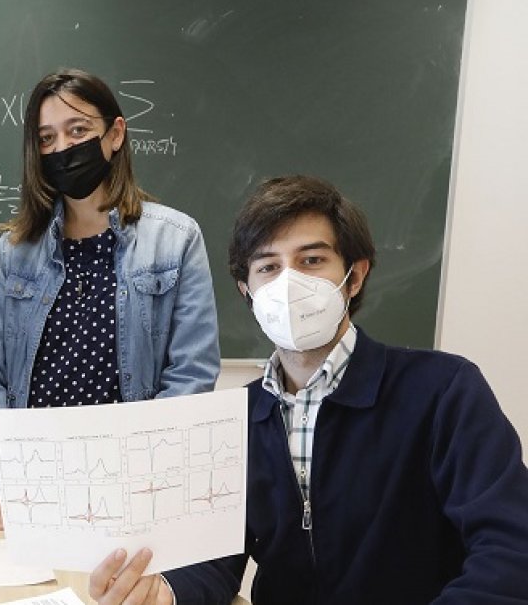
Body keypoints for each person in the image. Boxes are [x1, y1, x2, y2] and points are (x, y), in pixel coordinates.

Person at [90, 175, 528, 604]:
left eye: (311, 260)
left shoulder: (444, 391)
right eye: (268, 267)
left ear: (354, 277)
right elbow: (215, 560)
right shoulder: (235, 417)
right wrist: (164, 594)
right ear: (248, 292)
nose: (288, 283)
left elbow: (509, 548)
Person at [0, 68, 220, 529]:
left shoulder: (176, 239)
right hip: (33, 485)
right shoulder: (13, 253)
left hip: (135, 484)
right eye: (46, 138)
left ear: (115, 133)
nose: (62, 148)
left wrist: (149, 475)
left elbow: (192, 373)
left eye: (78, 130)